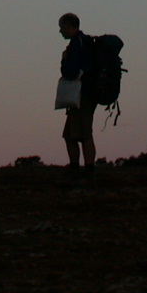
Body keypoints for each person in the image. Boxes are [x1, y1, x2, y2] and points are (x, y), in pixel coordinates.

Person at [58, 12, 97, 184]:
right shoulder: (84, 42)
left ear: (68, 26)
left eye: (61, 27)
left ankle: (87, 172)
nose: (60, 31)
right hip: (85, 94)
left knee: (83, 134)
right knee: (70, 135)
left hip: (83, 95)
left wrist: (64, 61)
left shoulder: (77, 45)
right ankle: (77, 169)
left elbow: (71, 73)